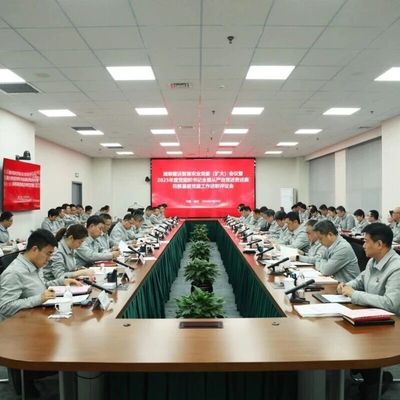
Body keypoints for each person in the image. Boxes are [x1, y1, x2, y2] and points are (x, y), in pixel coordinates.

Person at [338, 223, 399, 399]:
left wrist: (355, 295)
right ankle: (367, 374)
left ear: (379, 244)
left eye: (366, 241)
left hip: (392, 324)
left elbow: (391, 304)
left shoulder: (396, 268)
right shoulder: (374, 260)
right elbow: (359, 281)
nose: (362, 245)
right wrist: (345, 286)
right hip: (373, 316)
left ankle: (372, 379)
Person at [0, 229, 82, 320]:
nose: (49, 259)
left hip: (35, 316)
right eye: (48, 253)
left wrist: (61, 281)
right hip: (19, 324)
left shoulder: (35, 264)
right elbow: (5, 307)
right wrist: (39, 298)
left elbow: (39, 287)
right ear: (35, 249)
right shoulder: (14, 272)